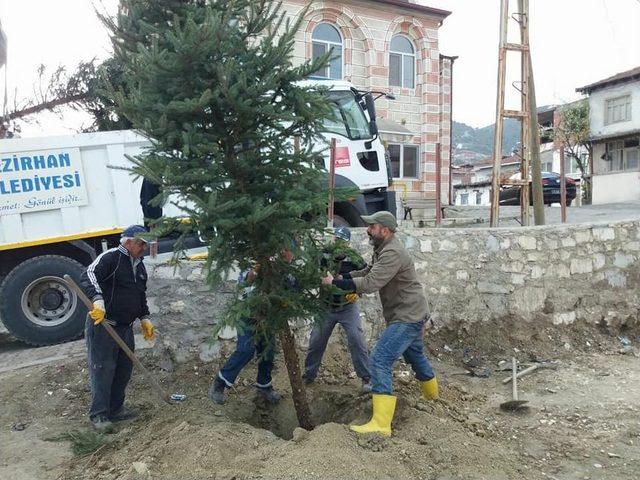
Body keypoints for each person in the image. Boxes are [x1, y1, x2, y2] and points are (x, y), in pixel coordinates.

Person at [322, 211, 438, 436]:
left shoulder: (392, 252)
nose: (368, 229)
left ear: (384, 230)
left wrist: (339, 284)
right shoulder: (383, 248)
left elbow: (371, 282)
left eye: (372, 226)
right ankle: (432, 398)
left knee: (379, 359)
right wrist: (340, 279)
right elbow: (367, 271)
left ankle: (381, 424)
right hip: (410, 312)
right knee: (415, 356)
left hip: (407, 316)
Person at [80, 225, 155, 432]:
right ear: (129, 242)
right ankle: (99, 415)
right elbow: (89, 275)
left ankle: (115, 409)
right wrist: (97, 300)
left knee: (123, 370)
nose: (144, 248)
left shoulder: (139, 266)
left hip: (125, 327)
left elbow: (140, 294)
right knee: (103, 370)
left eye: (146, 245)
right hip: (104, 326)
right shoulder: (111, 258)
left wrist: (145, 317)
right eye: (141, 244)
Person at [208, 250, 296, 406]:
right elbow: (245, 281)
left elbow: (293, 287)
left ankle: (264, 386)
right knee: (246, 350)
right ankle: (219, 384)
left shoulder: (287, 269)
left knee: (268, 351)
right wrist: (257, 269)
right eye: (286, 252)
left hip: (268, 315)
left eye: (291, 252)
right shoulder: (259, 261)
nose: (289, 255)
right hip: (248, 312)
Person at [303, 226, 372, 393]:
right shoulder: (323, 255)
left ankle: (366, 378)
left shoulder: (354, 258)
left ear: (348, 244)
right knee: (316, 341)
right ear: (333, 239)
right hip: (326, 307)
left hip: (348, 306)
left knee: (356, 339)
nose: (338, 243)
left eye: (342, 241)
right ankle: (308, 376)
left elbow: (366, 276)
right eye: (336, 239)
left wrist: (357, 292)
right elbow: (311, 273)